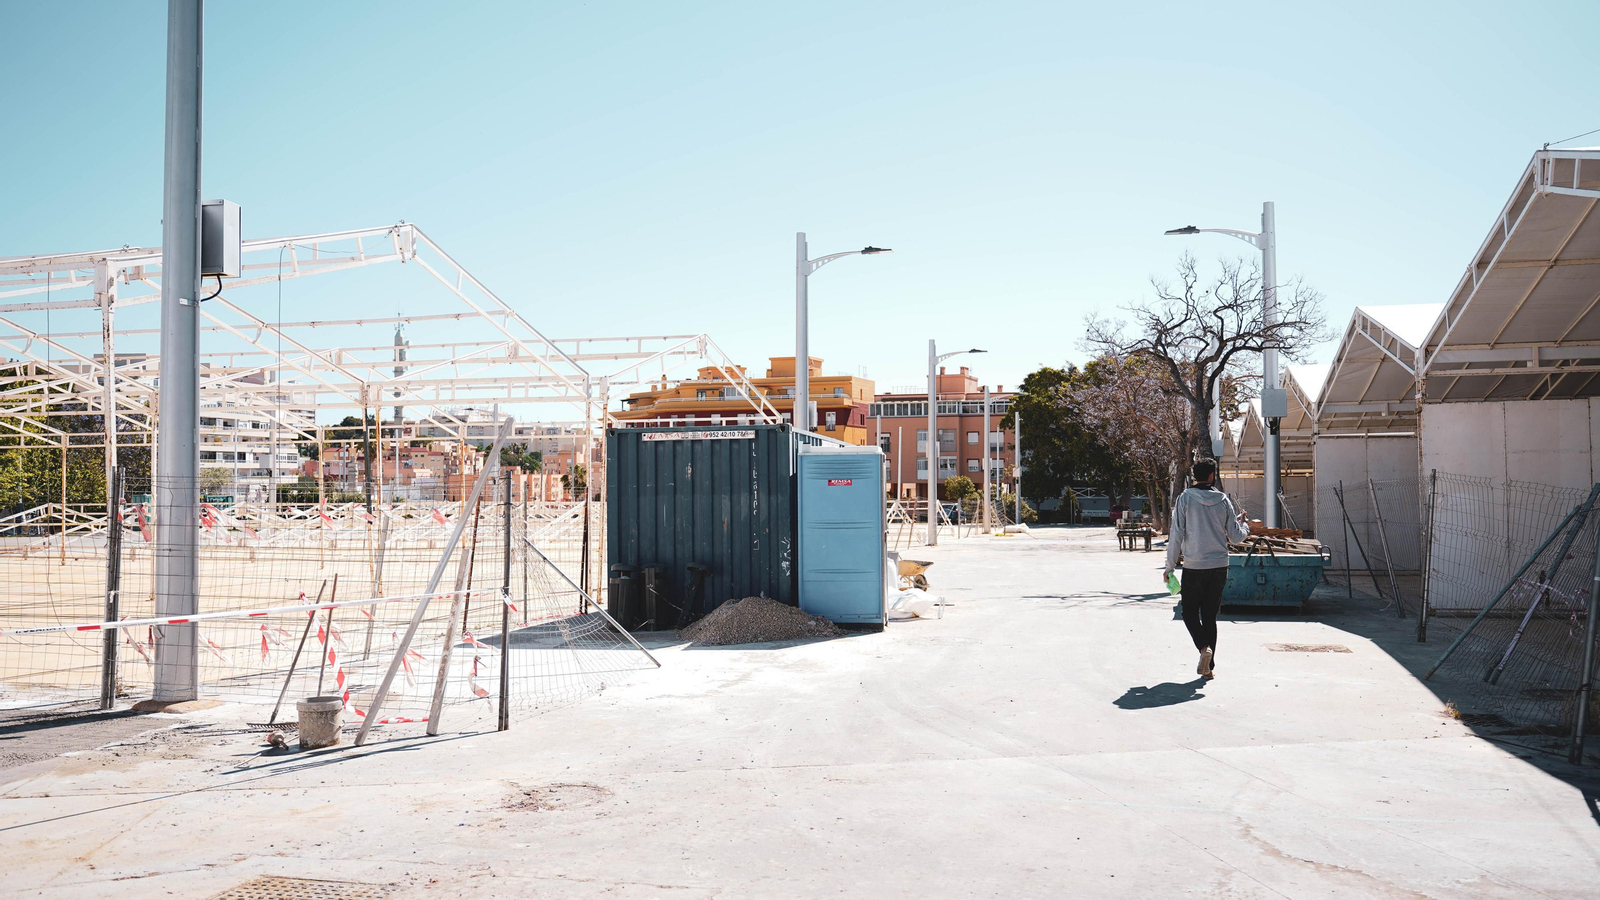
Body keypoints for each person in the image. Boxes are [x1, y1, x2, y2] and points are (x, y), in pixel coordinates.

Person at [1163, 459, 1248, 679]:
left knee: (1189, 613)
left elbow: (1176, 535)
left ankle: (1204, 650)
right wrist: (1245, 524)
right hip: (1219, 566)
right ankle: (1208, 669)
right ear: (1212, 476)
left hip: (1194, 566)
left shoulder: (1185, 499)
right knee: (1210, 617)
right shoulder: (1223, 501)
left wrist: (1169, 566)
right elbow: (1237, 536)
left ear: (1194, 476)